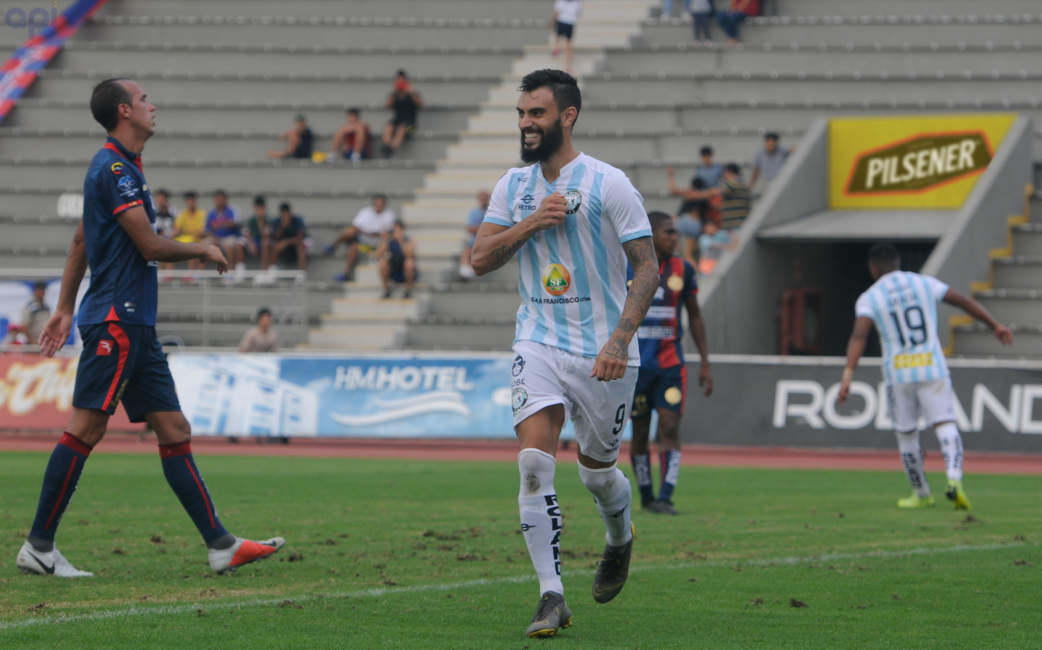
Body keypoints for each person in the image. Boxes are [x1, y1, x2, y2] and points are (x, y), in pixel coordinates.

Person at [14, 78, 284, 579]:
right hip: (118, 320)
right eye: (143, 99)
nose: (152, 105)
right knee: (86, 428)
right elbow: (149, 246)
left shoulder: (122, 167)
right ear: (124, 111)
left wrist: (65, 307)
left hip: (135, 323)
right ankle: (39, 546)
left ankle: (221, 545)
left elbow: (81, 241)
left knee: (174, 428)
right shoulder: (114, 169)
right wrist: (204, 248)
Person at [471, 69, 658, 638]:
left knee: (598, 474)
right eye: (522, 114)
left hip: (604, 352)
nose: (526, 124)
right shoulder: (513, 186)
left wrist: (620, 339)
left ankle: (619, 536)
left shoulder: (609, 183)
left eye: (538, 113)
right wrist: (530, 223)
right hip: (538, 340)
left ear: (568, 116)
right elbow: (479, 260)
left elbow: (648, 267)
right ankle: (551, 595)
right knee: (533, 463)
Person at [838, 243, 1013, 511]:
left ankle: (921, 493)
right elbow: (962, 301)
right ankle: (954, 480)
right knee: (945, 423)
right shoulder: (924, 283)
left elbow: (859, 335)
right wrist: (995, 325)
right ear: (898, 262)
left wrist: (848, 375)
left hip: (898, 374)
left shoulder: (870, 297)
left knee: (907, 435)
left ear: (873, 269)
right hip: (932, 367)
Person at [629, 213, 712, 515]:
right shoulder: (628, 267)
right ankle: (646, 496)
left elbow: (695, 314)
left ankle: (665, 497)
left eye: (676, 233)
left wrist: (705, 362)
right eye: (668, 232)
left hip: (670, 366)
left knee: (669, 426)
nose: (675, 238)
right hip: (636, 367)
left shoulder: (683, 270)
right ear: (651, 234)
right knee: (639, 431)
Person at [327, 194, 396, 282]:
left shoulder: (390, 214)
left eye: (381, 203)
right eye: (377, 203)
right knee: (350, 238)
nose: (379, 205)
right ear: (374, 203)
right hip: (364, 240)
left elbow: (390, 233)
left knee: (385, 241)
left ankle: (382, 269)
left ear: (384, 204)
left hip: (380, 242)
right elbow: (355, 227)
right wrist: (369, 233)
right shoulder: (365, 212)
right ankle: (345, 271)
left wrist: (378, 235)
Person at [205, 189, 245, 279]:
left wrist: (221, 224)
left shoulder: (232, 210)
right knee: (203, 244)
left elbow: (236, 223)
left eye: (221, 199)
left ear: (225, 200)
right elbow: (207, 229)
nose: (219, 201)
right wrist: (213, 237)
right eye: (217, 199)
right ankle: (200, 274)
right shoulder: (211, 213)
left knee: (229, 246)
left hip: (230, 237)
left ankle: (230, 273)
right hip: (216, 238)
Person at [381, 71, 421, 158]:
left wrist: (411, 92)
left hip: (412, 127)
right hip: (397, 123)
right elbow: (387, 106)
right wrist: (394, 92)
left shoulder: (413, 94)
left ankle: (391, 149)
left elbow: (420, 104)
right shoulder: (394, 95)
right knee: (388, 126)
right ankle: (386, 146)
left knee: (402, 128)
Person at [377, 220, 417, 299]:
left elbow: (410, 255)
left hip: (405, 268)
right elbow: (378, 255)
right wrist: (384, 240)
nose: (396, 232)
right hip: (393, 267)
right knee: (382, 263)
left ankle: (408, 290)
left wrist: (401, 241)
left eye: (398, 229)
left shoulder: (408, 240)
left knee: (409, 263)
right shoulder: (389, 240)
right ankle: (387, 290)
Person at [459, 189, 490, 280]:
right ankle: (465, 271)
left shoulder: (492, 212)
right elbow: (469, 228)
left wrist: (478, 229)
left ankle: (468, 271)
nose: (483, 200)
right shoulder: (474, 212)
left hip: (487, 241)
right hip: (475, 241)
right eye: (482, 198)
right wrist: (482, 229)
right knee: (467, 250)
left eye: (485, 198)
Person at [173, 191, 207, 271]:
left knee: (196, 247)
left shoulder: (202, 213)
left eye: (192, 200)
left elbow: (200, 233)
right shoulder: (182, 214)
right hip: (187, 239)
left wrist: (192, 235)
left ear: (195, 201)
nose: (190, 202)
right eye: (188, 200)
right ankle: (168, 274)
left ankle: (197, 274)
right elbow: (176, 230)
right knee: (167, 247)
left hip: (198, 240)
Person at [270, 202, 308, 271]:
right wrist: (282, 227)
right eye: (283, 214)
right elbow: (275, 238)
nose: (285, 216)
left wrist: (286, 242)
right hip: (283, 246)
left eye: (287, 214)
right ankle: (272, 269)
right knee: (274, 246)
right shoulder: (277, 221)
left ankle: (301, 271)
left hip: (295, 245)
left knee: (301, 247)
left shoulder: (297, 221)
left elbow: (300, 238)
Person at [551, 0, 581, 75]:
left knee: (561, 39)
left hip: (565, 21)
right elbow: (577, 12)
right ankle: (567, 66)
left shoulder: (564, 2)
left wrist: (553, 22)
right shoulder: (576, 2)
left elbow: (556, 12)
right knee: (565, 43)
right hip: (568, 22)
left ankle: (557, 49)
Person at [243, 195, 272, 270]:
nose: (259, 211)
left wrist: (261, 221)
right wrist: (251, 243)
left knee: (265, 244)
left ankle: (265, 270)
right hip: (253, 240)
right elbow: (246, 233)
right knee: (239, 244)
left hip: (264, 241)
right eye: (257, 209)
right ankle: (240, 269)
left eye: (261, 208)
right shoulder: (251, 220)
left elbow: (266, 235)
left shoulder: (268, 219)